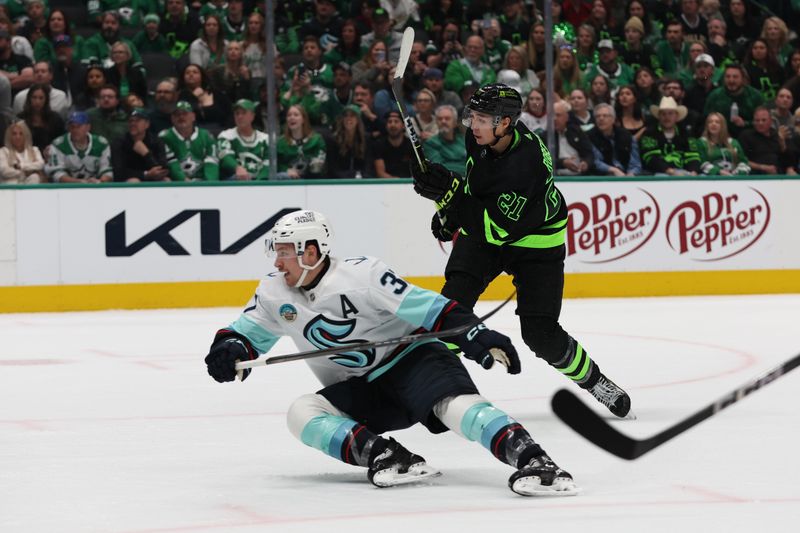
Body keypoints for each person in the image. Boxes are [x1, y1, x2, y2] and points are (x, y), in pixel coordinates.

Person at [203, 209, 579, 496]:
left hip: (414, 364)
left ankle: (536, 461)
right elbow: (244, 335)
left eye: (284, 252)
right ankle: (386, 455)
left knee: (456, 408)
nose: (276, 261)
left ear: (312, 251)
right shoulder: (274, 293)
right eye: (277, 252)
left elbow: (429, 307)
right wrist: (229, 349)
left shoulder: (363, 276)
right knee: (302, 413)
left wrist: (474, 334)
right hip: (362, 388)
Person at [409, 83, 632, 418]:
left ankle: (594, 380)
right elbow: (477, 187)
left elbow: (497, 228)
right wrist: (450, 209)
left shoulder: (526, 165)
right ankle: (434, 391)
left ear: (506, 123)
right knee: (449, 311)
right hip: (491, 229)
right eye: (473, 116)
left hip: (536, 243)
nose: (474, 125)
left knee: (540, 334)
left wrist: (451, 197)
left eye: (483, 118)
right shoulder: (481, 137)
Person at [640, 96, 701, 175]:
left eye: (670, 113)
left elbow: (693, 156)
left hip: (684, 172)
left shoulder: (686, 133)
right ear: (659, 116)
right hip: (658, 173)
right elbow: (651, 158)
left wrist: (694, 172)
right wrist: (670, 172)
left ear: (676, 116)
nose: (667, 117)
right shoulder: (649, 133)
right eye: (663, 114)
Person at [46, 111, 113, 183]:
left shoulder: (101, 144)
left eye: (78, 126)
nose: (75, 130)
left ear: (88, 127)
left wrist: (100, 181)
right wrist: (79, 182)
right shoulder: (58, 145)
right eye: (72, 126)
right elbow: (57, 174)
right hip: (66, 190)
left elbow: (107, 171)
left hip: (95, 189)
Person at [159, 100, 219, 181]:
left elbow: (212, 162)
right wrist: (185, 182)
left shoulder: (206, 136)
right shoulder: (165, 137)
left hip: (203, 182)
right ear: (172, 118)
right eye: (177, 114)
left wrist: (208, 184)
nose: (181, 117)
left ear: (193, 116)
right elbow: (172, 164)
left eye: (185, 113)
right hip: (177, 184)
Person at [218, 99, 271, 180]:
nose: (240, 116)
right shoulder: (226, 136)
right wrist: (237, 168)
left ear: (252, 116)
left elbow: (268, 163)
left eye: (244, 113)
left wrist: (259, 182)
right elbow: (226, 157)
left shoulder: (265, 139)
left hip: (260, 180)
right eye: (237, 113)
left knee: (281, 176)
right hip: (236, 180)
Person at [111, 108, 170, 182]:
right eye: (131, 121)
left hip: (152, 178)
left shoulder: (156, 141)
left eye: (137, 121)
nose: (133, 124)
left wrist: (147, 154)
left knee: (165, 180)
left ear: (147, 124)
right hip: (131, 179)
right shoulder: (119, 142)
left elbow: (163, 169)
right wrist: (146, 174)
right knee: (134, 181)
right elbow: (118, 172)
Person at [589, 102, 642, 176]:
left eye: (605, 116)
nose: (601, 119)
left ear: (613, 119)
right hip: (603, 176)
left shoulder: (627, 136)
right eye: (598, 116)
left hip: (626, 174)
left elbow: (636, 163)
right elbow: (595, 161)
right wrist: (613, 170)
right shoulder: (589, 137)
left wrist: (631, 173)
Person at [276, 104, 326, 179]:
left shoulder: (316, 140)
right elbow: (275, 164)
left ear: (303, 119)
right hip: (289, 181)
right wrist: (286, 170)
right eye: (289, 115)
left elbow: (320, 163)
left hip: (312, 180)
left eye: (296, 115)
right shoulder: (281, 142)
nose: (291, 117)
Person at [547, 100, 594, 175]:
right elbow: (541, 160)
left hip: (579, 177)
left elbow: (589, 154)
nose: (554, 118)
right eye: (552, 115)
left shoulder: (577, 132)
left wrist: (586, 163)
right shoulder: (546, 136)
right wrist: (562, 163)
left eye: (558, 115)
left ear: (566, 117)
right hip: (555, 178)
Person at [325, 104, 371, 179]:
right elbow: (332, 168)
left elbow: (369, 166)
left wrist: (361, 177)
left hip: (361, 181)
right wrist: (350, 176)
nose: (348, 118)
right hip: (339, 182)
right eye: (346, 116)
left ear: (358, 119)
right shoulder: (333, 140)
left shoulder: (366, 139)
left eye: (352, 115)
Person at [17, 82, 65, 153]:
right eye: (34, 97)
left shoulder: (55, 119)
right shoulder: (21, 118)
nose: (37, 101)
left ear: (46, 100)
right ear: (29, 99)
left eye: (41, 98)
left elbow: (61, 141)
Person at [423, 104, 466, 174]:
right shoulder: (430, 143)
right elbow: (439, 168)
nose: (443, 121)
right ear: (436, 122)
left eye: (447, 118)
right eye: (440, 119)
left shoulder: (464, 141)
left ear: (455, 123)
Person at [372, 110, 413, 178]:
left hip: (408, 184)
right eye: (389, 122)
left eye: (396, 121)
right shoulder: (378, 145)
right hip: (386, 184)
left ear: (403, 126)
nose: (392, 125)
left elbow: (417, 171)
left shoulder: (412, 146)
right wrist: (397, 182)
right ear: (386, 126)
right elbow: (380, 173)